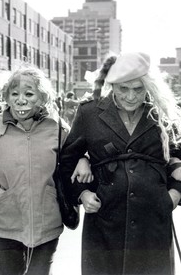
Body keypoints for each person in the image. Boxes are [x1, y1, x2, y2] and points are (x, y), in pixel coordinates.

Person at [60, 52, 181, 275]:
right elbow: (66, 162)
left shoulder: (162, 114)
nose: (131, 96)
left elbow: (178, 157)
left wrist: (175, 195)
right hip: (104, 222)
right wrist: (83, 193)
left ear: (149, 87)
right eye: (123, 88)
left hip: (153, 222)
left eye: (138, 89)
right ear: (112, 84)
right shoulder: (90, 113)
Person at [0, 66, 92, 275]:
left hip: (47, 227)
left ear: (42, 97)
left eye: (29, 94)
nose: (20, 100)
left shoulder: (58, 128)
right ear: (7, 97)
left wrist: (83, 160)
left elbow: (77, 154)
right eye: (14, 94)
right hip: (4, 226)